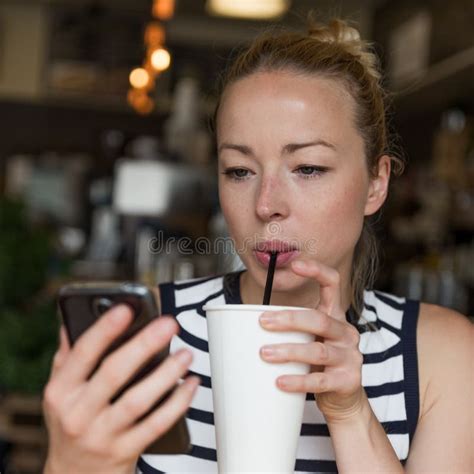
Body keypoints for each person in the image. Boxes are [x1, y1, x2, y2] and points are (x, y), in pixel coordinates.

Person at [43, 16, 473, 474]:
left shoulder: (442, 357)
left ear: (375, 183)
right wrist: (71, 462)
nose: (267, 205)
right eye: (239, 171)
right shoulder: (146, 340)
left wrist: (350, 414)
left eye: (308, 168)